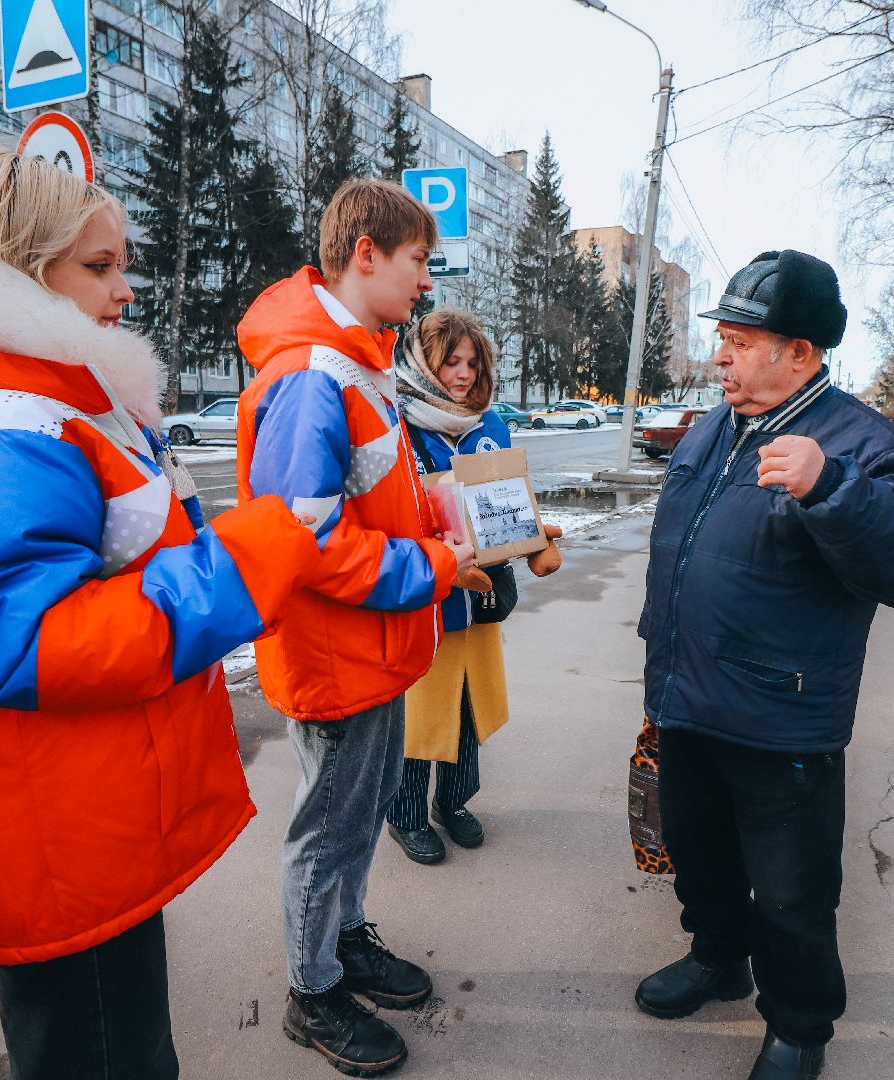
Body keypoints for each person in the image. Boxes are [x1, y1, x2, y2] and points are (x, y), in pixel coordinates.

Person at [0, 149, 324, 1080]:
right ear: (10, 266)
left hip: (73, 814)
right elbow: (43, 643)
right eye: (98, 267)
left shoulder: (24, 405)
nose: (125, 290)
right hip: (57, 830)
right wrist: (254, 555)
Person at [636, 249, 894, 1080]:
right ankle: (718, 958)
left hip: (781, 715)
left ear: (802, 353)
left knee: (792, 892)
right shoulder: (715, 427)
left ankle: (799, 1027)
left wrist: (833, 490)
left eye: (741, 341)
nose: (720, 355)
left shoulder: (854, 438)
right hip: (686, 695)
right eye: (724, 338)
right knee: (698, 853)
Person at [235, 179, 478, 1077]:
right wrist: (439, 566)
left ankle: (345, 943)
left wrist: (444, 521)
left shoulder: (356, 363)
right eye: (417, 261)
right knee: (329, 827)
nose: (426, 281)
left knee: (363, 813)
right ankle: (312, 990)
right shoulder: (309, 376)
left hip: (372, 650)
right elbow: (306, 542)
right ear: (365, 254)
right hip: (335, 656)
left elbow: (379, 497)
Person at [383, 308, 559, 864]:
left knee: (467, 704)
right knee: (420, 710)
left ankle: (453, 801)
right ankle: (406, 815)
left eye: (472, 362)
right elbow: (386, 515)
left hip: (480, 594)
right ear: (421, 362)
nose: (463, 374)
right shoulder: (395, 424)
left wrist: (533, 539)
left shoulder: (491, 425)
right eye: (450, 362)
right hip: (426, 597)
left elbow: (512, 496)